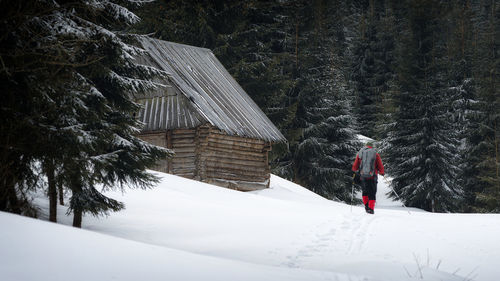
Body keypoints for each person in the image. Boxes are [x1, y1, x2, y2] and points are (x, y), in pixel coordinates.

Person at [352, 141, 385, 214]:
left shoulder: (360, 153)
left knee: (365, 191)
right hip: (373, 176)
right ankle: (371, 208)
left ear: (365, 146)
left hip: (363, 176)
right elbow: (380, 165)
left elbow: (355, 166)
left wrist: (355, 170)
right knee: (372, 193)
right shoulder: (375, 154)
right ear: (372, 146)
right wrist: (382, 172)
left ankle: (366, 206)